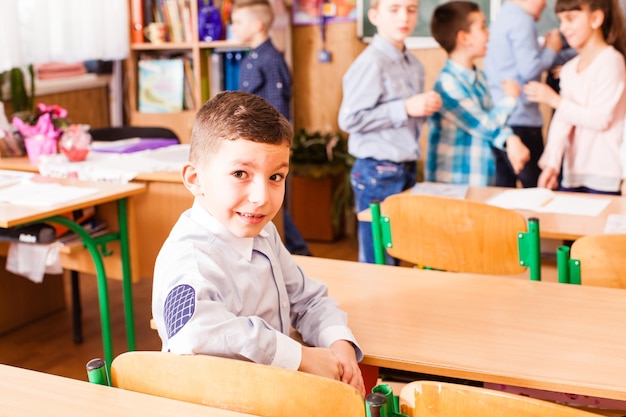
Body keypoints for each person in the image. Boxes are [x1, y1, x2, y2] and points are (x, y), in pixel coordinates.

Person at [152, 91, 365, 396]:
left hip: (276, 393)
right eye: (240, 173)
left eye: (276, 177)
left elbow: (308, 299)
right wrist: (300, 357)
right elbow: (192, 332)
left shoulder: (263, 234)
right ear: (194, 178)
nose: (262, 197)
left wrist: (338, 343)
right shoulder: (190, 258)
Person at [338, 0, 442, 264]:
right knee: (379, 258)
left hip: (405, 167)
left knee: (401, 250)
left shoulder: (414, 64)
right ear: (374, 15)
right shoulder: (371, 62)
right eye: (394, 9)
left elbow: (405, 118)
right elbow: (349, 119)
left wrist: (423, 108)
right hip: (377, 171)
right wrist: (405, 107)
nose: (403, 17)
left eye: (411, 9)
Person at [231, 0, 312, 256]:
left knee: (270, 202)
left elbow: (278, 112)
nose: (233, 28)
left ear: (257, 25)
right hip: (251, 146)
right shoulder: (253, 58)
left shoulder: (270, 59)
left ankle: (299, 251)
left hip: (264, 148)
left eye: (238, 22)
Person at [524, 0, 626, 196]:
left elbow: (600, 119)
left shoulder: (611, 61)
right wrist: (551, 164)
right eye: (561, 20)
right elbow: (562, 120)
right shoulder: (570, 68)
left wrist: (554, 100)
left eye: (570, 19)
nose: (563, 28)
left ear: (596, 19)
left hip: (606, 175)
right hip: (572, 173)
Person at [426, 1, 530, 186]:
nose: (488, 33)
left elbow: (492, 120)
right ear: (464, 38)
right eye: (482, 27)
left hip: (478, 181)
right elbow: (486, 125)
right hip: (452, 187)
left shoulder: (479, 77)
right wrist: (510, 98)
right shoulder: (447, 85)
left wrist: (510, 138)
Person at [484, 0, 563, 188]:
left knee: (504, 190)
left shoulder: (504, 16)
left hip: (503, 119)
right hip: (522, 120)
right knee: (540, 190)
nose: (545, 4)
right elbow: (529, 69)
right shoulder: (522, 20)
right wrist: (552, 48)